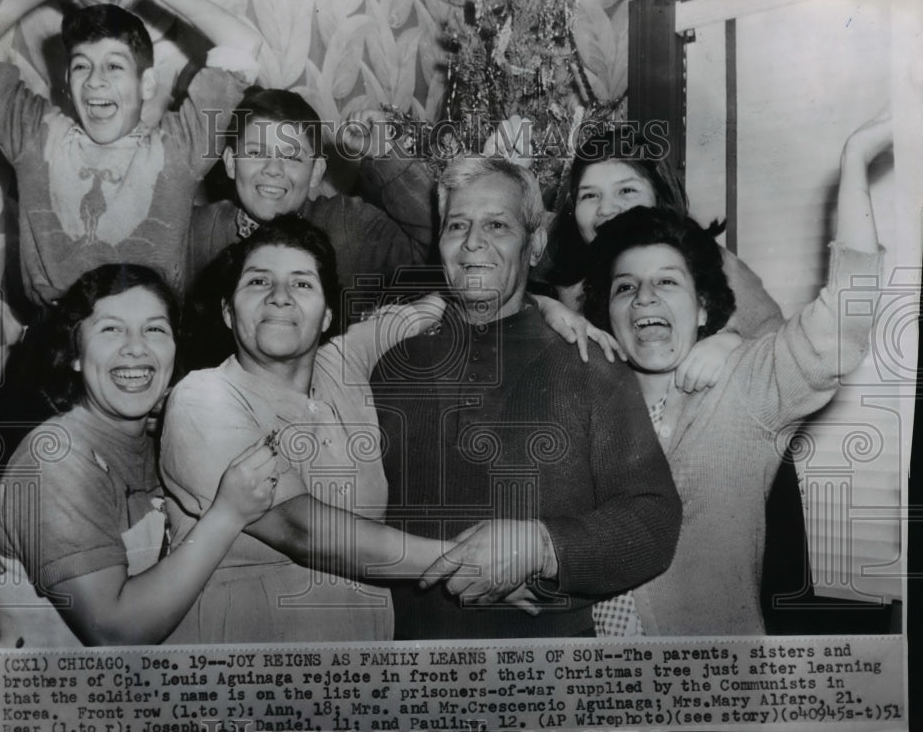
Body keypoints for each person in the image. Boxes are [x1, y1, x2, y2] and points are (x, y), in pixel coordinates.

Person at [579, 115, 892, 635]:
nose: (646, 298)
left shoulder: (742, 389)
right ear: (607, 313)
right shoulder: (586, 396)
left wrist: (856, 159)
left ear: (704, 308)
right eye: (626, 288)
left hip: (705, 689)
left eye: (666, 283)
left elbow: (838, 327)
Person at [370, 156, 683, 640]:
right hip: (406, 674)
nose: (474, 243)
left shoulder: (588, 363)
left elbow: (652, 520)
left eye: (497, 224)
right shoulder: (389, 366)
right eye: (457, 225)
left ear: (534, 243)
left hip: (550, 680)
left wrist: (542, 546)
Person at [162, 215, 458, 643]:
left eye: (302, 284)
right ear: (228, 311)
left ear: (326, 317)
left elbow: (444, 302)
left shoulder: (343, 361)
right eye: (258, 282)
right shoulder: (202, 397)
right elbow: (301, 530)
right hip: (243, 672)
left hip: (359, 668)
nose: (280, 297)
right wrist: (458, 560)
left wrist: (544, 304)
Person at [0, 264, 281, 647]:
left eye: (155, 329)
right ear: (75, 354)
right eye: (111, 329)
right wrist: (228, 514)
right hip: (62, 702)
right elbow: (114, 631)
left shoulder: (158, 442)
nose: (136, 347)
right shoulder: (56, 459)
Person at [0, 0, 262, 310]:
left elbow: (243, 44)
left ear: (147, 84)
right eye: (82, 66)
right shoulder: (35, 136)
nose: (96, 80)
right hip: (57, 342)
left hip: (148, 335)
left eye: (114, 66)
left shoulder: (180, 148)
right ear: (67, 81)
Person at [540, 130, 785, 391]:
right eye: (590, 195)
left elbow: (782, 352)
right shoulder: (566, 270)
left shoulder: (710, 262)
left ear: (660, 196)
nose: (607, 209)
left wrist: (732, 345)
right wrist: (545, 306)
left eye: (626, 190)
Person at [185, 92, 437, 299]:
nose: (273, 169)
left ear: (316, 171)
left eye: (292, 157)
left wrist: (385, 154)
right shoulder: (198, 233)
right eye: (255, 153)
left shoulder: (348, 226)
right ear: (231, 163)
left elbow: (433, 249)